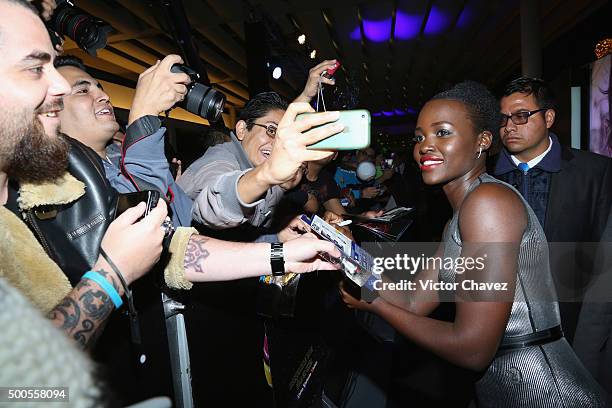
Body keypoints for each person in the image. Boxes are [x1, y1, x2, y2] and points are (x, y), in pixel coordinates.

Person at [340, 81, 606, 407]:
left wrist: (374, 304)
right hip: (506, 389)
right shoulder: (460, 216)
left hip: (544, 391)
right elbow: (412, 301)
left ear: (482, 141)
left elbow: (472, 349)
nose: (425, 145)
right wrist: (347, 252)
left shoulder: (488, 203)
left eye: (443, 133)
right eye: (420, 137)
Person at [0, 0, 168, 350]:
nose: (59, 85)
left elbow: (165, 244)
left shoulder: (65, 168)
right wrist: (112, 275)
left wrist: (279, 255)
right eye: (35, 68)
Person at [492, 77, 612, 344]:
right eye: (503, 119)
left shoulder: (594, 172)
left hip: (572, 326)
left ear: (548, 118)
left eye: (521, 116)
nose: (509, 126)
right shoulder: (482, 177)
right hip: (500, 328)